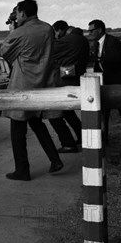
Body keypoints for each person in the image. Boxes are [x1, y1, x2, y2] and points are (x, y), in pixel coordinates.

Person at [0, 0, 64, 180]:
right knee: (37, 123)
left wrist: (12, 31)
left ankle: (22, 169)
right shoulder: (47, 29)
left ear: (22, 13)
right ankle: (55, 159)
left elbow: (5, 52)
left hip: (22, 86)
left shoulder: (19, 32)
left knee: (17, 131)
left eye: (17, 13)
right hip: (42, 83)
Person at [88, 19, 121, 145]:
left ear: (99, 30)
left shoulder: (113, 42)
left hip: (119, 80)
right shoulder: (96, 44)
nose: (89, 33)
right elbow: (97, 63)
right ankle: (104, 139)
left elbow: (114, 60)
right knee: (104, 110)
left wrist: (98, 58)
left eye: (91, 30)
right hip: (106, 80)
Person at [49, 21, 90, 151]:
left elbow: (49, 52)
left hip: (65, 82)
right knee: (68, 113)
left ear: (59, 31)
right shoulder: (80, 39)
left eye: (54, 33)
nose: (55, 36)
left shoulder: (67, 40)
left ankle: (68, 143)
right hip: (75, 79)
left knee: (54, 114)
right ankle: (82, 138)